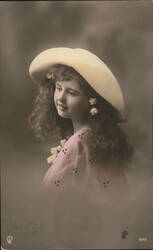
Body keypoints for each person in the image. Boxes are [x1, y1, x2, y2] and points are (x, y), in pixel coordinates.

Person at [28, 47, 133, 248]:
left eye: (72, 92)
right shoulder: (94, 139)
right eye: (58, 88)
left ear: (92, 101)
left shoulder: (80, 143)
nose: (60, 98)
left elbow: (46, 199)